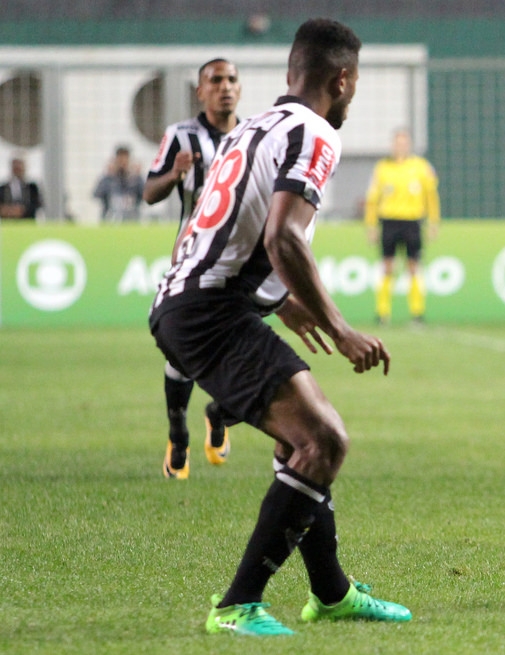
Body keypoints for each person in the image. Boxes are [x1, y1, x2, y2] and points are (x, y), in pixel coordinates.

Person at [149, 18, 411, 636]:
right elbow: (283, 236)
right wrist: (340, 328)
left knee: (303, 439)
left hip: (197, 302)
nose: (352, 96)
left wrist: (281, 301)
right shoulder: (315, 133)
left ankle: (332, 593)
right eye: (354, 84)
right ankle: (238, 604)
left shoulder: (254, 128)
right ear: (341, 79)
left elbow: (222, 229)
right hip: (212, 312)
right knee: (325, 441)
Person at [144, 57, 242, 479]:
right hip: (191, 261)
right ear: (201, 91)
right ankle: (178, 432)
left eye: (232, 79)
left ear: (240, 88)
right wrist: (174, 174)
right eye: (215, 80)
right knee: (182, 352)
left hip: (240, 263)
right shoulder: (180, 136)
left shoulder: (252, 136)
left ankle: (218, 413)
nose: (225, 86)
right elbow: (150, 193)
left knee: (244, 353)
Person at [364, 127, 440, 325]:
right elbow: (372, 199)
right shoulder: (383, 168)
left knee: (413, 266)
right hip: (389, 221)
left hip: (412, 222)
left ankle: (417, 313)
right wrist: (371, 225)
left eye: (404, 143)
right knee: (387, 266)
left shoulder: (421, 167)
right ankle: (382, 313)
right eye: (397, 143)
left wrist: (433, 221)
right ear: (393, 145)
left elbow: (431, 197)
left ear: (409, 145)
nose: (400, 147)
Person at [93, 146, 144, 221]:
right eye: (120, 160)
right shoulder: (108, 179)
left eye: (125, 160)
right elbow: (97, 194)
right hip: (110, 220)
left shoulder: (136, 180)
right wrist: (108, 174)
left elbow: (146, 196)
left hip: (132, 221)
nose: (122, 163)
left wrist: (138, 175)